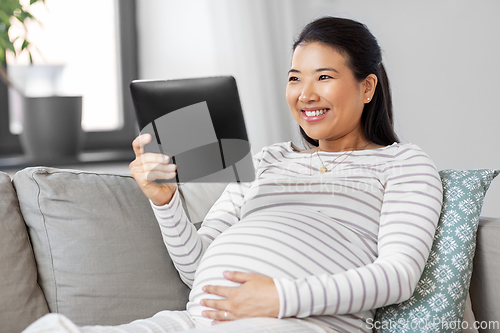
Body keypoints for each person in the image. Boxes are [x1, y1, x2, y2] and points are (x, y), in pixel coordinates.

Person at [23, 16, 442, 333]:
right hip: (196, 319)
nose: (305, 94)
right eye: (295, 78)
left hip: (295, 321)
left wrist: (278, 298)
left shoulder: (403, 164)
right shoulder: (268, 160)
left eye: (325, 77)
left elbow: (397, 276)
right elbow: (197, 265)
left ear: (367, 88)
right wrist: (165, 201)